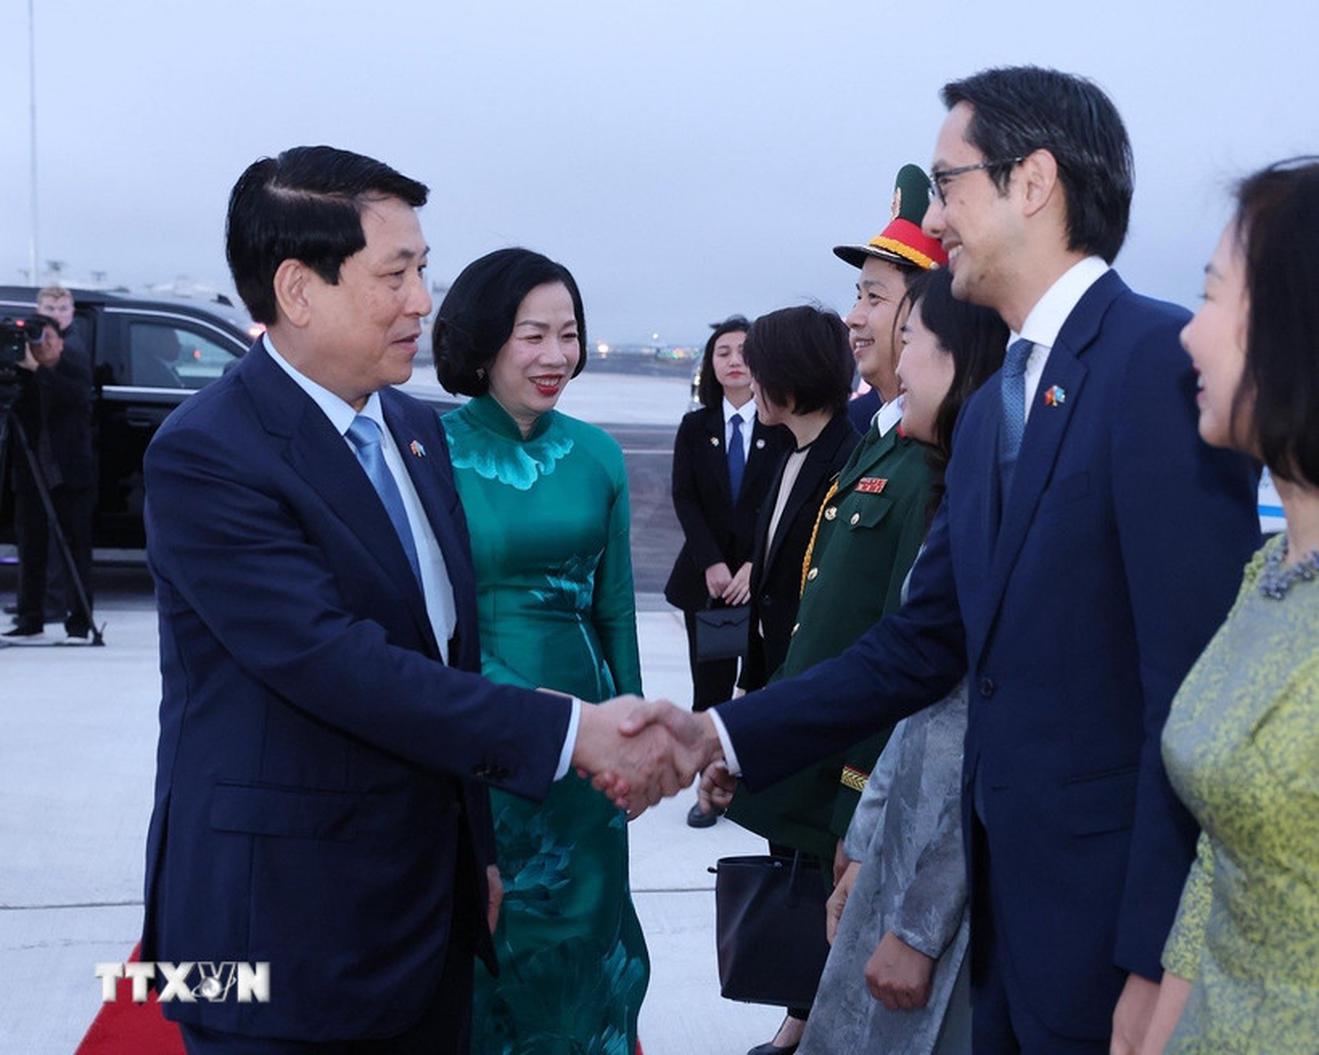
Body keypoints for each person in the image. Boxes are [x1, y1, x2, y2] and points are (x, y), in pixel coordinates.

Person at [614, 66, 1262, 1055]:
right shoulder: (999, 399)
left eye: (947, 183)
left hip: (1104, 933)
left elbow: (1191, 692)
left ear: (1031, 182)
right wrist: (719, 732)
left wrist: (1153, 957)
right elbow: (922, 641)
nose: (932, 218)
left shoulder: (1153, 367)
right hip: (1005, 921)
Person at [138, 145, 689, 1054]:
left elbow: (444, 652)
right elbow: (338, 664)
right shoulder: (209, 453)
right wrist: (569, 729)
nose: (423, 301)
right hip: (276, 929)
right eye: (395, 275)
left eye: (423, 269)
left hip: (426, 914)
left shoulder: (413, 429)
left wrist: (474, 856)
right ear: (298, 289)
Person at [723, 166, 946, 1055]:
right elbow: (818, 620)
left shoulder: (928, 460)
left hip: (857, 781)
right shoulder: (881, 441)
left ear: (927, 315)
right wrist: (751, 738)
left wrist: (859, 799)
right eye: (857, 295)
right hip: (820, 761)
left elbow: (905, 645)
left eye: (873, 297)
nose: (852, 317)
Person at [433, 248, 650, 1053]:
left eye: (568, 333)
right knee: (489, 942)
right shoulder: (428, 450)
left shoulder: (597, 453)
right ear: (484, 339)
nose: (555, 354)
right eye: (532, 335)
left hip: (589, 747)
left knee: (586, 936)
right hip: (477, 732)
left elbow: (615, 608)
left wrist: (634, 734)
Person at [800, 266, 1007, 1055]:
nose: (894, 358)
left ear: (959, 359)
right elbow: (918, 708)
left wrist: (918, 924)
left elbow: (973, 725)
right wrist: (864, 837)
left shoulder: (988, 502)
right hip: (900, 845)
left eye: (910, 337)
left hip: (944, 883)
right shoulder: (954, 482)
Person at [1139, 158, 1319, 1055]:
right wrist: (1156, 1025)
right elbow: (1224, 839)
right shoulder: (1269, 571)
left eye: (1212, 295)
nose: (1188, 333)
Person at [664, 315, 790, 827]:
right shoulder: (696, 428)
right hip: (712, 584)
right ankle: (709, 789)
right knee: (712, 686)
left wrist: (754, 565)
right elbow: (685, 498)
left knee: (763, 685)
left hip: (765, 579)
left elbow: (783, 500)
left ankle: (757, 782)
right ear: (710, 364)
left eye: (744, 351)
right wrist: (713, 563)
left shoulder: (780, 426)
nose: (734, 360)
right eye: (723, 352)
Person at [738, 305, 859, 699]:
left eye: (758, 374)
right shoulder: (791, 453)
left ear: (788, 376)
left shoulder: (849, 464)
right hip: (772, 679)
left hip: (810, 687)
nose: (751, 387)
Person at [3, 313, 96, 641]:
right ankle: (30, 617)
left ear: (59, 342)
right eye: (36, 340)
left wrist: (40, 370)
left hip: (69, 474)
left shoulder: (72, 364)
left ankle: (79, 621)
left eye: (48, 339)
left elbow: (77, 399)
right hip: (31, 474)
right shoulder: (19, 373)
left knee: (76, 547)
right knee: (31, 547)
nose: (42, 346)